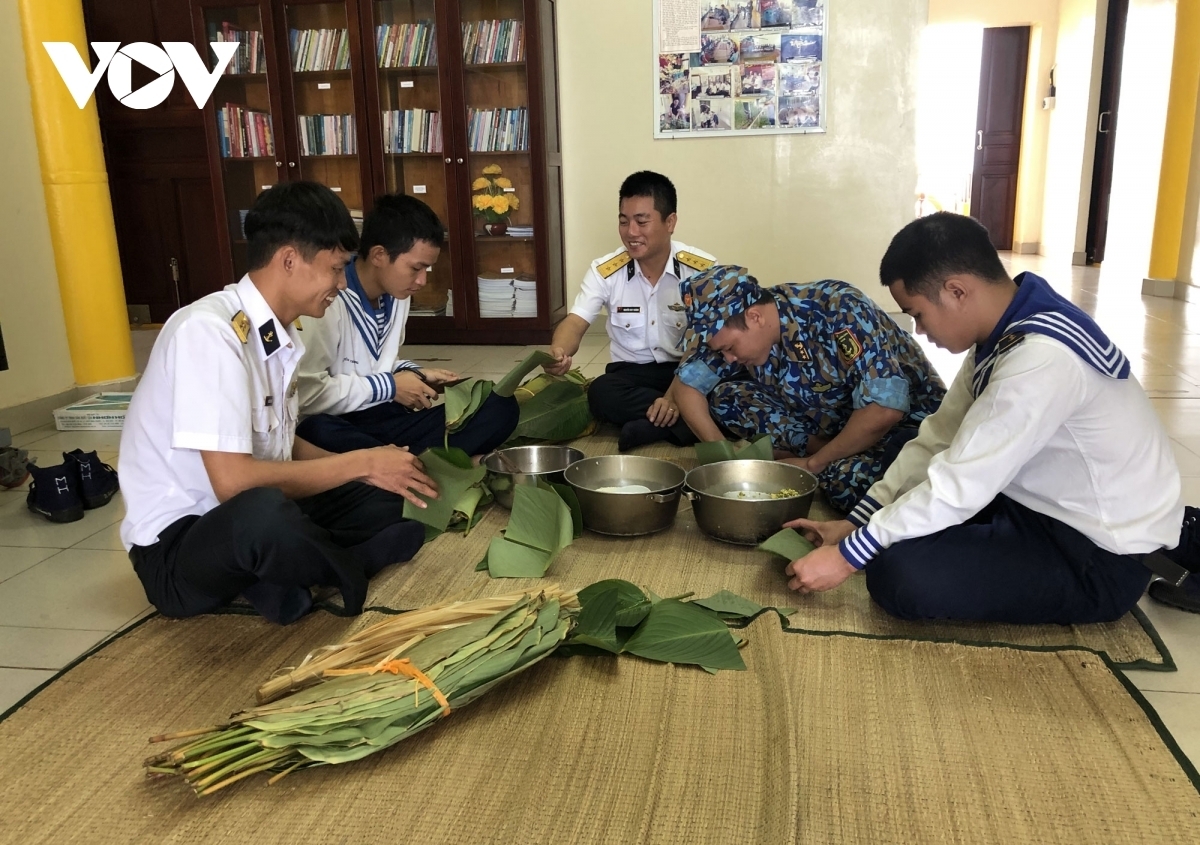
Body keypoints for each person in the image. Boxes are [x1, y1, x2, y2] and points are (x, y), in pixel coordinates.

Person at [785, 212, 1199, 624]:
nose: (919, 330)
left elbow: (963, 483)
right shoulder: (1004, 333)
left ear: (957, 291)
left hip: (1097, 554)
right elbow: (939, 439)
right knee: (905, 463)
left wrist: (846, 558)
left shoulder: (1041, 357)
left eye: (917, 314)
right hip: (1041, 504)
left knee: (901, 575)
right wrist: (856, 524)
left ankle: (1176, 542)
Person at [118, 182, 438, 626]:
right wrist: (360, 463)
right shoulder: (208, 332)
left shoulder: (279, 334)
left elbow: (282, 445)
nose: (340, 284)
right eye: (335, 269)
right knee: (262, 516)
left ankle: (282, 577)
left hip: (249, 513)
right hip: (182, 543)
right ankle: (348, 568)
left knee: (382, 497)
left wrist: (369, 471)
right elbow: (233, 485)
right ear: (290, 260)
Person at [675, 265, 945, 512]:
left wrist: (812, 465)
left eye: (730, 348)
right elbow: (687, 388)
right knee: (727, 398)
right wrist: (725, 461)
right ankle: (822, 449)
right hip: (829, 419)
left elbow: (885, 410)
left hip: (904, 429)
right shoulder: (730, 326)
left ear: (754, 317)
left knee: (845, 483)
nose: (729, 358)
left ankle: (821, 458)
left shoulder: (839, 309)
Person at [295, 194, 518, 458]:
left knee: (499, 406)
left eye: (427, 269)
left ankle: (399, 463)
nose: (422, 280)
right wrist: (391, 386)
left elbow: (377, 364)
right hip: (342, 421)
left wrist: (417, 373)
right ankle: (409, 463)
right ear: (379, 255)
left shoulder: (398, 294)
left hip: (385, 416)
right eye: (416, 268)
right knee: (315, 431)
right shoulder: (328, 298)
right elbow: (306, 395)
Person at [545, 171, 715, 451]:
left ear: (670, 222)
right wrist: (558, 351)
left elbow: (706, 344)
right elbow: (576, 321)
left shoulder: (702, 270)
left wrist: (675, 394)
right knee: (601, 394)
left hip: (687, 369)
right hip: (632, 374)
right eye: (624, 221)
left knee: (731, 388)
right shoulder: (606, 270)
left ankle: (653, 425)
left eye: (641, 222)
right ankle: (688, 422)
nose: (631, 232)